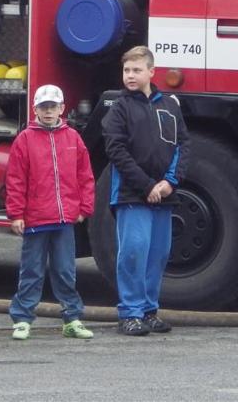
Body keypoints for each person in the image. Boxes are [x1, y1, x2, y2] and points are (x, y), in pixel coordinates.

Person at [103, 46, 189, 337]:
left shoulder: (170, 106)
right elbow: (116, 150)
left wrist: (170, 182)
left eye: (136, 70)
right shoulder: (119, 109)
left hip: (164, 194)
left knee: (158, 254)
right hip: (132, 195)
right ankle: (130, 313)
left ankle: (149, 311)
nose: (130, 75)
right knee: (134, 252)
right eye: (126, 70)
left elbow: (183, 145)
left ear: (152, 72)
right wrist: (147, 185)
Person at [5, 84, 95, 341]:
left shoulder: (73, 138)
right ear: (35, 109)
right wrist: (16, 214)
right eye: (43, 107)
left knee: (65, 270)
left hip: (64, 219)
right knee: (31, 271)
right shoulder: (25, 139)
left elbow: (85, 175)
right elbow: (15, 179)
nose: (48, 111)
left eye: (52, 106)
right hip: (35, 218)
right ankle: (22, 319)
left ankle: (72, 318)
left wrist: (84, 207)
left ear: (62, 108)